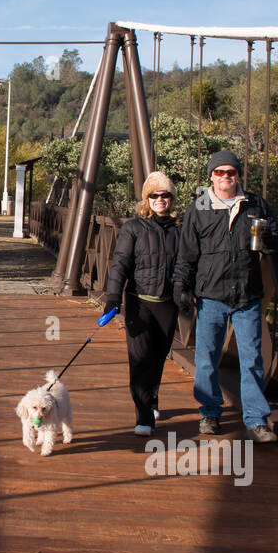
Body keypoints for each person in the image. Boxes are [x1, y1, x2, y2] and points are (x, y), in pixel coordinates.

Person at [173, 150, 278, 443]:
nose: (225, 177)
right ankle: (209, 413)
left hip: (248, 295)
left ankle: (257, 422)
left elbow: (274, 241)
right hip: (211, 296)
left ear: (238, 175)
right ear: (211, 175)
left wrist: (271, 236)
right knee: (206, 359)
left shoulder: (256, 205)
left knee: (252, 360)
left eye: (231, 172)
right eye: (219, 172)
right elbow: (187, 253)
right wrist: (181, 286)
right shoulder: (199, 208)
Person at [102, 171, 181, 437]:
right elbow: (120, 264)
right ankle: (144, 415)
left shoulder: (180, 229)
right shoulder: (133, 227)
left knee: (158, 358)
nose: (160, 200)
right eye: (155, 195)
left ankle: (152, 397)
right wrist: (113, 297)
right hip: (139, 302)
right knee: (139, 359)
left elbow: (188, 266)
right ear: (147, 199)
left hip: (168, 304)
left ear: (172, 199)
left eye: (165, 195)